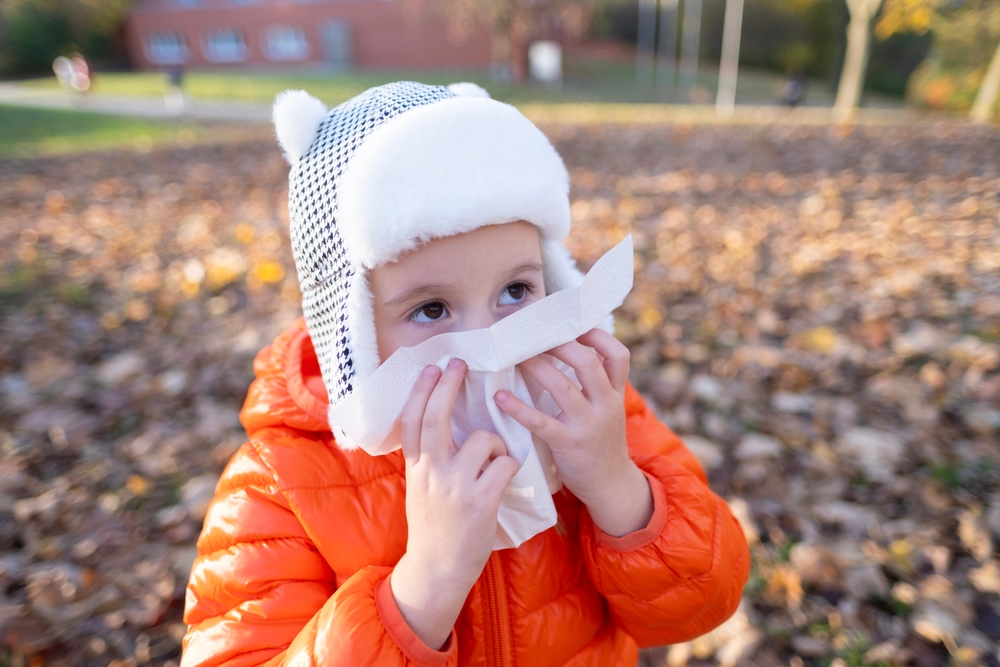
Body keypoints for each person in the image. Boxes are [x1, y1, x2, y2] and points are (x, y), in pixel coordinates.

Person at [181, 81, 750, 666]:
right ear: (351, 332)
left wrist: (616, 487)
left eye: (515, 291)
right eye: (432, 309)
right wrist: (423, 588)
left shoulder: (590, 409)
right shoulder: (283, 483)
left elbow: (705, 600)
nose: (490, 346)